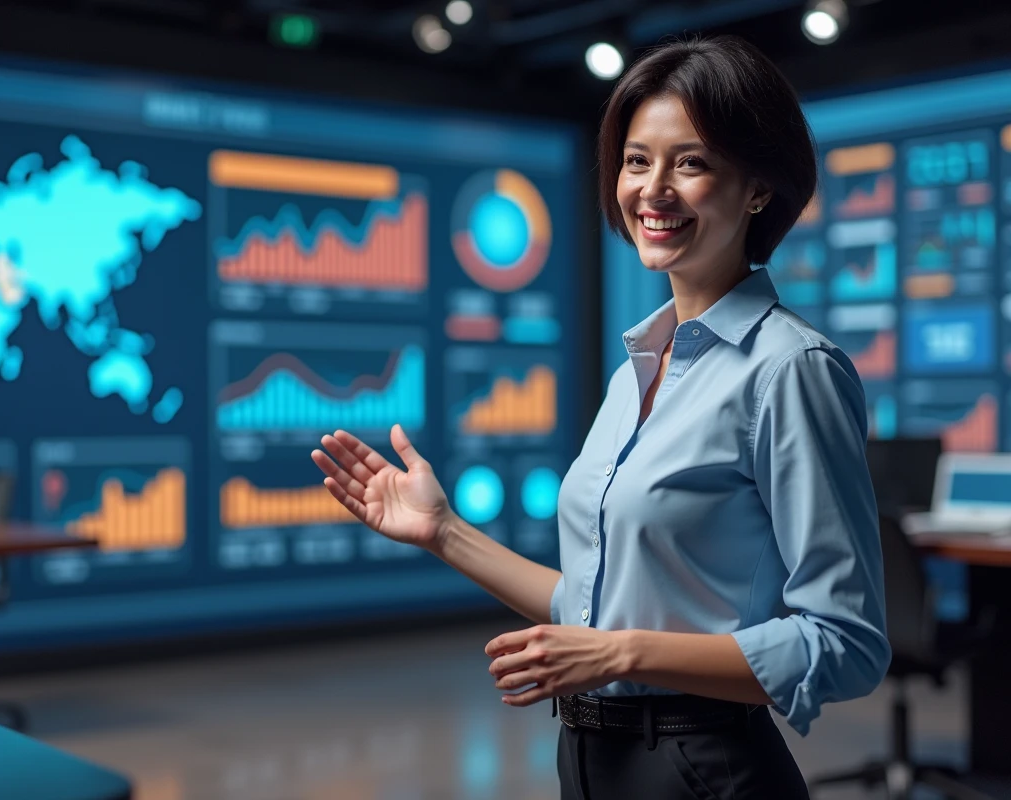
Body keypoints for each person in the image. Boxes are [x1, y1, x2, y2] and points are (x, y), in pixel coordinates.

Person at [310, 34, 889, 799]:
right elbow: (591, 609)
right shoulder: (638, 371)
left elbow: (844, 642)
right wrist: (443, 532)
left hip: (702, 767)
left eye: (692, 162)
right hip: (591, 759)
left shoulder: (789, 369)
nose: (653, 189)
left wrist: (621, 655)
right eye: (636, 160)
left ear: (758, 188)